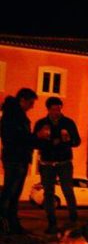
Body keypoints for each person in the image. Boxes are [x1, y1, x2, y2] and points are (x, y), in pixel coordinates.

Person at [33, 96, 82, 234]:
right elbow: (35, 143)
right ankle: (52, 223)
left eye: (59, 109)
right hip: (47, 163)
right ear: (48, 109)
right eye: (54, 109)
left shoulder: (68, 123)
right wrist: (41, 138)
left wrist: (67, 139)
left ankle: (73, 220)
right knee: (48, 193)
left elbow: (77, 141)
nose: (57, 112)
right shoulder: (41, 123)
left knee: (68, 190)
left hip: (64, 162)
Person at [0, 88, 38, 234]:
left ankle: (12, 223)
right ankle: (6, 224)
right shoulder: (13, 116)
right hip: (15, 158)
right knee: (11, 192)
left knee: (13, 192)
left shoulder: (15, 115)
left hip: (17, 157)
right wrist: (36, 138)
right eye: (31, 102)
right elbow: (18, 138)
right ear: (22, 100)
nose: (32, 106)